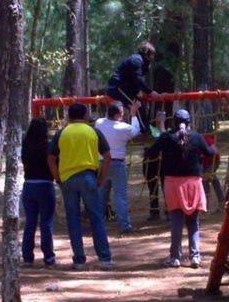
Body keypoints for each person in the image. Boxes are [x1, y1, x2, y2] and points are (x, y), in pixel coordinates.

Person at [48, 103, 114, 270]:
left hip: (68, 179)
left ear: (69, 116)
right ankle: (105, 258)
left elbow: (50, 158)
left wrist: (57, 178)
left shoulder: (61, 133)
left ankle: (79, 259)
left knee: (73, 219)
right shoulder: (93, 131)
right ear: (85, 116)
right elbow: (107, 156)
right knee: (96, 217)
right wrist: (101, 178)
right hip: (88, 177)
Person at [147, 109, 216, 268]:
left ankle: (175, 257)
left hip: (172, 184)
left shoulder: (167, 138)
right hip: (193, 183)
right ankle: (195, 257)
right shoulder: (196, 137)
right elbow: (209, 152)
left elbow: (151, 152)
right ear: (189, 122)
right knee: (193, 222)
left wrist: (161, 127)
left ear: (174, 123)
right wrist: (214, 148)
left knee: (176, 221)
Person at [95, 100, 141, 235]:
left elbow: (105, 120)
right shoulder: (124, 128)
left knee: (101, 195)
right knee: (120, 196)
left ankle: (98, 224)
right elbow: (136, 130)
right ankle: (124, 226)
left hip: (102, 163)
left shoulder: (99, 123)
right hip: (117, 164)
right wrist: (133, 114)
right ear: (119, 114)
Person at [21, 117, 56, 267]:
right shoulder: (47, 146)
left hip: (28, 185)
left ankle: (28, 257)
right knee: (46, 223)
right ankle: (48, 257)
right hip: (45, 185)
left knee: (30, 222)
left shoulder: (25, 146)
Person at [107, 41, 159, 133]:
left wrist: (139, 92)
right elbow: (138, 79)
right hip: (118, 87)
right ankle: (145, 132)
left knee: (139, 105)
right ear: (146, 53)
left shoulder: (141, 62)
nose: (152, 58)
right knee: (137, 106)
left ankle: (142, 130)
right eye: (151, 55)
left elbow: (133, 80)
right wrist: (150, 92)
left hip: (127, 88)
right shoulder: (136, 60)